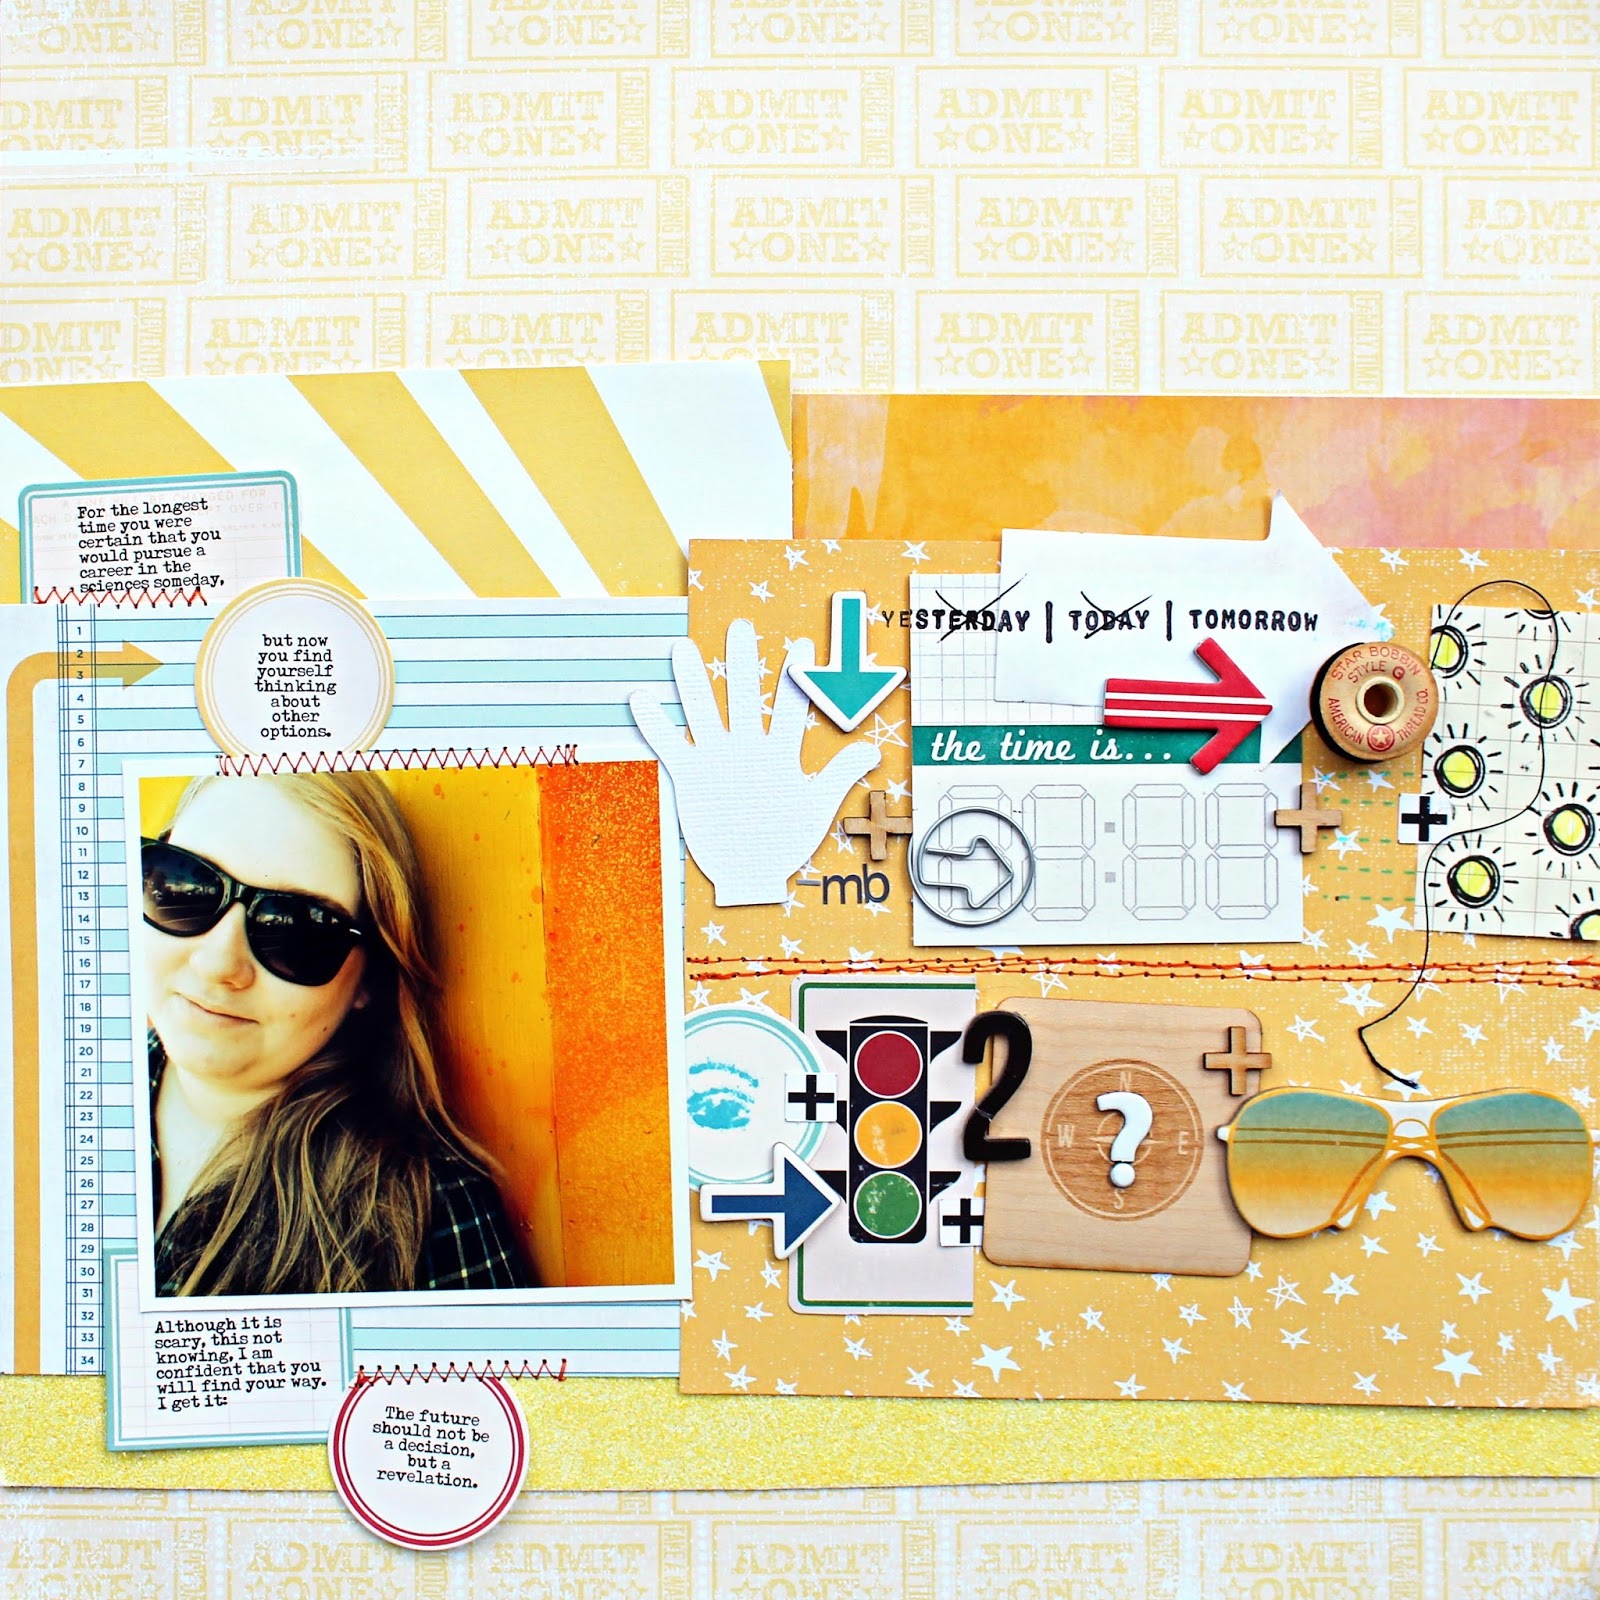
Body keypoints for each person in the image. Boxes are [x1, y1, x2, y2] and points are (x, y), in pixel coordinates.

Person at [142, 772, 534, 1295]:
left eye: (297, 931)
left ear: (368, 979)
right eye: (185, 886)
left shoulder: (424, 1214)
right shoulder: (64, 1089)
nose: (218, 964)